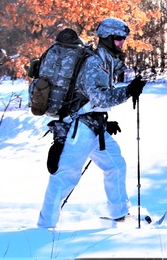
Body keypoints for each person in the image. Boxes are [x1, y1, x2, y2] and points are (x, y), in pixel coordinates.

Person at [37, 18, 146, 229]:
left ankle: (120, 214)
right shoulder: (95, 62)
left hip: (95, 126)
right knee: (65, 177)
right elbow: (98, 97)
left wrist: (105, 118)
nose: (122, 43)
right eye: (118, 39)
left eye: (123, 39)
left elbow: (91, 98)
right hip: (80, 128)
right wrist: (127, 91)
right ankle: (45, 226)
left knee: (115, 165)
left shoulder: (105, 61)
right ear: (106, 38)